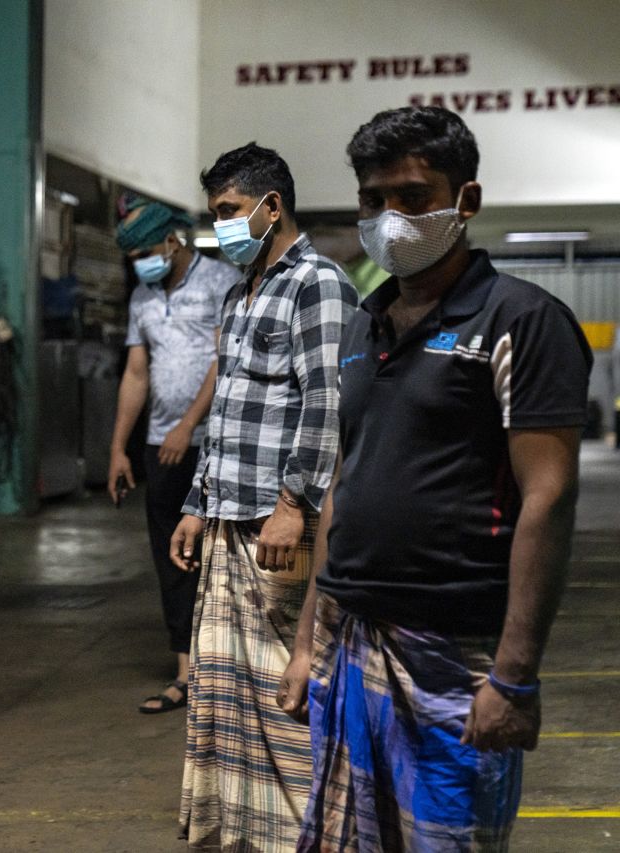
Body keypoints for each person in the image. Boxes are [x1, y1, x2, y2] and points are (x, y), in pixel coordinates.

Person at [279, 107, 592, 851]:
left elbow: (548, 498)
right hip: (349, 636)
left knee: (447, 840)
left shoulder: (521, 319)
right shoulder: (364, 326)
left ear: (466, 201)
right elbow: (341, 485)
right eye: (372, 199)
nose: (390, 218)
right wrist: (303, 643)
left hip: (455, 651)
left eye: (413, 198)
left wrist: (514, 675)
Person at [168, 143, 358, 850]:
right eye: (214, 214)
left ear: (270, 206)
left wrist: (296, 503)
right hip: (227, 518)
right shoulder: (239, 290)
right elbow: (228, 413)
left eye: (228, 211)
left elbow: (326, 406)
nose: (219, 227)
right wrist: (197, 500)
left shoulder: (318, 285)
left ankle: (313, 833)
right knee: (228, 700)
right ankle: (256, 833)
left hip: (277, 528)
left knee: (290, 697)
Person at [108, 196, 238, 714]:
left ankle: (227, 669)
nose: (143, 260)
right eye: (133, 254)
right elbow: (136, 374)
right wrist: (119, 448)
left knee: (222, 556)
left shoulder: (221, 281)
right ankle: (186, 673)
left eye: (147, 249)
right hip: (160, 445)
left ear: (173, 240)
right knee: (173, 558)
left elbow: (224, 358)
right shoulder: (142, 297)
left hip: (215, 441)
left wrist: (189, 424)